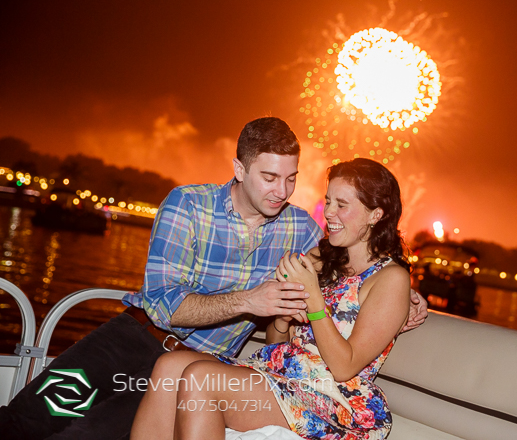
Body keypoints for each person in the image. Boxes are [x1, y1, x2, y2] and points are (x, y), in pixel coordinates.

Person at [0, 117, 428, 440]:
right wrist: (250, 302)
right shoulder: (188, 204)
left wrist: (411, 296)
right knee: (27, 418)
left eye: (292, 179)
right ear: (240, 169)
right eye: (269, 177)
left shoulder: (302, 229)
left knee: (85, 435)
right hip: (132, 339)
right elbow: (164, 304)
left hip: (203, 362)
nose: (282, 191)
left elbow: (364, 260)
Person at [131, 158, 411, 440]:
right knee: (169, 368)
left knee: (201, 376)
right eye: (328, 201)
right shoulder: (319, 258)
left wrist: (314, 301)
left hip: (333, 397)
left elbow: (344, 367)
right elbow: (276, 343)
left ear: (375, 215)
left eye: (342, 205)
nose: (328, 213)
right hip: (281, 373)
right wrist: (284, 316)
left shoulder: (390, 279)